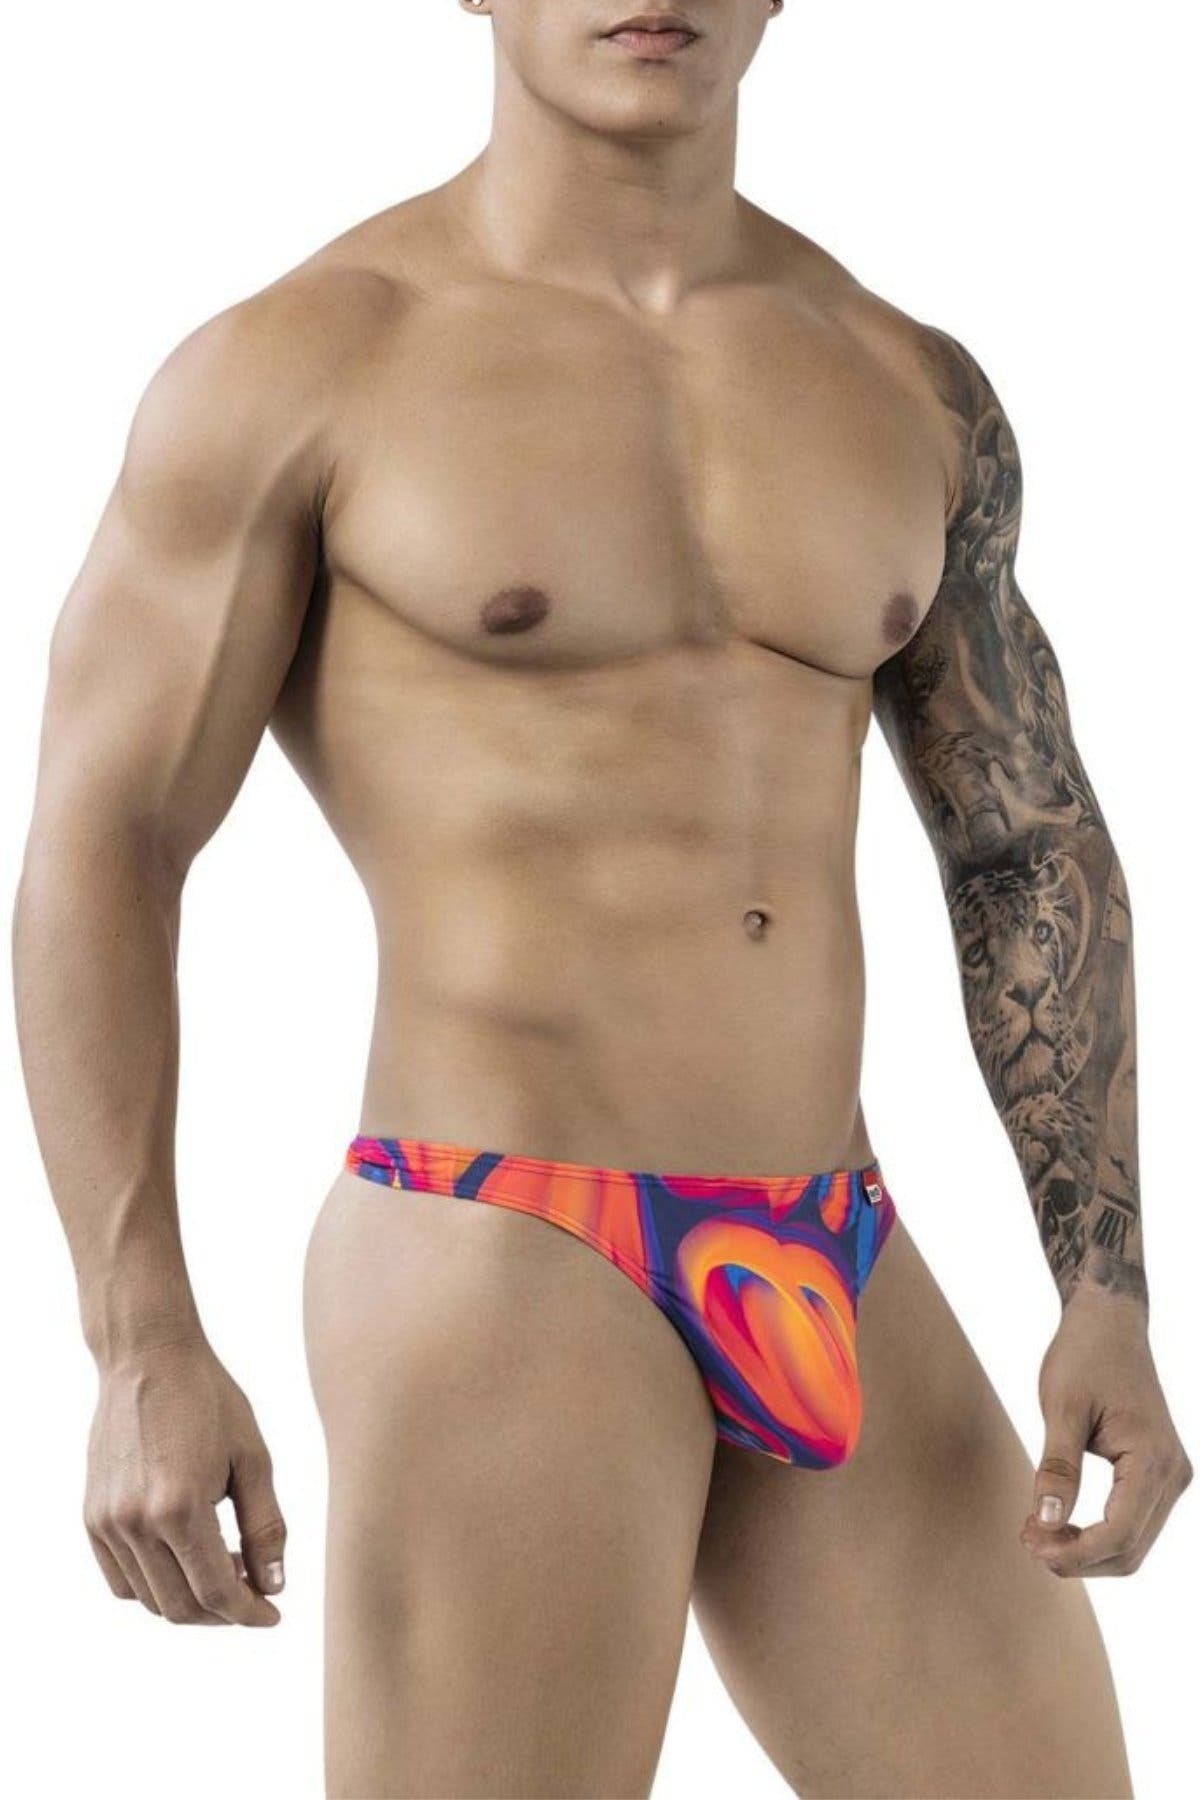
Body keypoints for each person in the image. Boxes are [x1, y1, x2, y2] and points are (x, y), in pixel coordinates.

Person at [13, 3, 1191, 1795]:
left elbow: (1024, 839)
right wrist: (136, 1337)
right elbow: (105, 840)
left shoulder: (902, 379)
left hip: (832, 1238)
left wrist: (1105, 1292)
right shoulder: (308, 365)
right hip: (500, 1243)